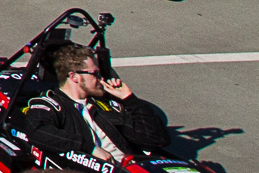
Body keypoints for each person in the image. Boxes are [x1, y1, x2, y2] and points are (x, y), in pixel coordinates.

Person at [15, 43, 166, 160]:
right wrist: (90, 148)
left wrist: (129, 99)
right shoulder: (50, 104)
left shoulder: (106, 104)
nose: (102, 79)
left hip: (135, 170)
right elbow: (37, 131)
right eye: (95, 74)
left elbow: (157, 139)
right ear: (75, 77)